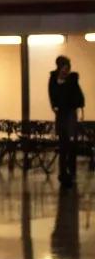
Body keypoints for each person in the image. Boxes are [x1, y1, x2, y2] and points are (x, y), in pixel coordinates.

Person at [49, 55, 85, 189]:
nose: (66, 70)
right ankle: (64, 172)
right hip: (62, 114)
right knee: (63, 144)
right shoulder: (53, 79)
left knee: (70, 144)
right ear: (59, 67)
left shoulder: (72, 80)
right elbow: (52, 94)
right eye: (64, 67)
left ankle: (70, 170)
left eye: (67, 68)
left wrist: (79, 109)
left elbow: (78, 96)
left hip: (69, 114)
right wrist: (54, 106)